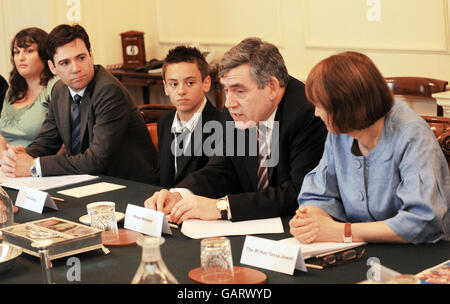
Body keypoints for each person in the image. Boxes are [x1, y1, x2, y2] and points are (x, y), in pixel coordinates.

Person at [145, 37, 327, 223]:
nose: (229, 103)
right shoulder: (236, 110)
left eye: (239, 91)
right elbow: (223, 168)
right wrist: (180, 195)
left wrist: (223, 207)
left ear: (271, 87)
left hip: (296, 226)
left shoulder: (307, 113)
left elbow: (299, 191)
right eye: (226, 90)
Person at [289, 51, 450, 245]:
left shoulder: (412, 134)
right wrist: (310, 222)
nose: (316, 113)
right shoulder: (339, 130)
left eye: (321, 106)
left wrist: (343, 231)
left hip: (419, 254)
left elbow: (423, 220)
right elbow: (318, 193)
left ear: (346, 106)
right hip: (364, 250)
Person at [0, 24, 157, 183]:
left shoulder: (109, 90)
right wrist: (21, 157)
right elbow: (47, 142)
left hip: (129, 186)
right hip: (87, 181)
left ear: (91, 55)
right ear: (52, 67)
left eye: (81, 58)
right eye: (65, 63)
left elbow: (96, 159)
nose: (75, 68)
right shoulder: (59, 90)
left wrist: (34, 166)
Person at [152, 46, 221, 187]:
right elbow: (161, 176)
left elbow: (216, 181)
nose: (181, 91)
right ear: (165, 87)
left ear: (206, 83)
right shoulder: (165, 121)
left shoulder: (221, 125)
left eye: (190, 83)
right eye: (173, 84)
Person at [0, 28, 58, 153]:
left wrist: (33, 166)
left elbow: (66, 140)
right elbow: (2, 138)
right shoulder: (12, 90)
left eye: (29, 51)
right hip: (8, 166)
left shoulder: (55, 86)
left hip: (40, 165)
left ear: (44, 54)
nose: (21, 57)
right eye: (16, 52)